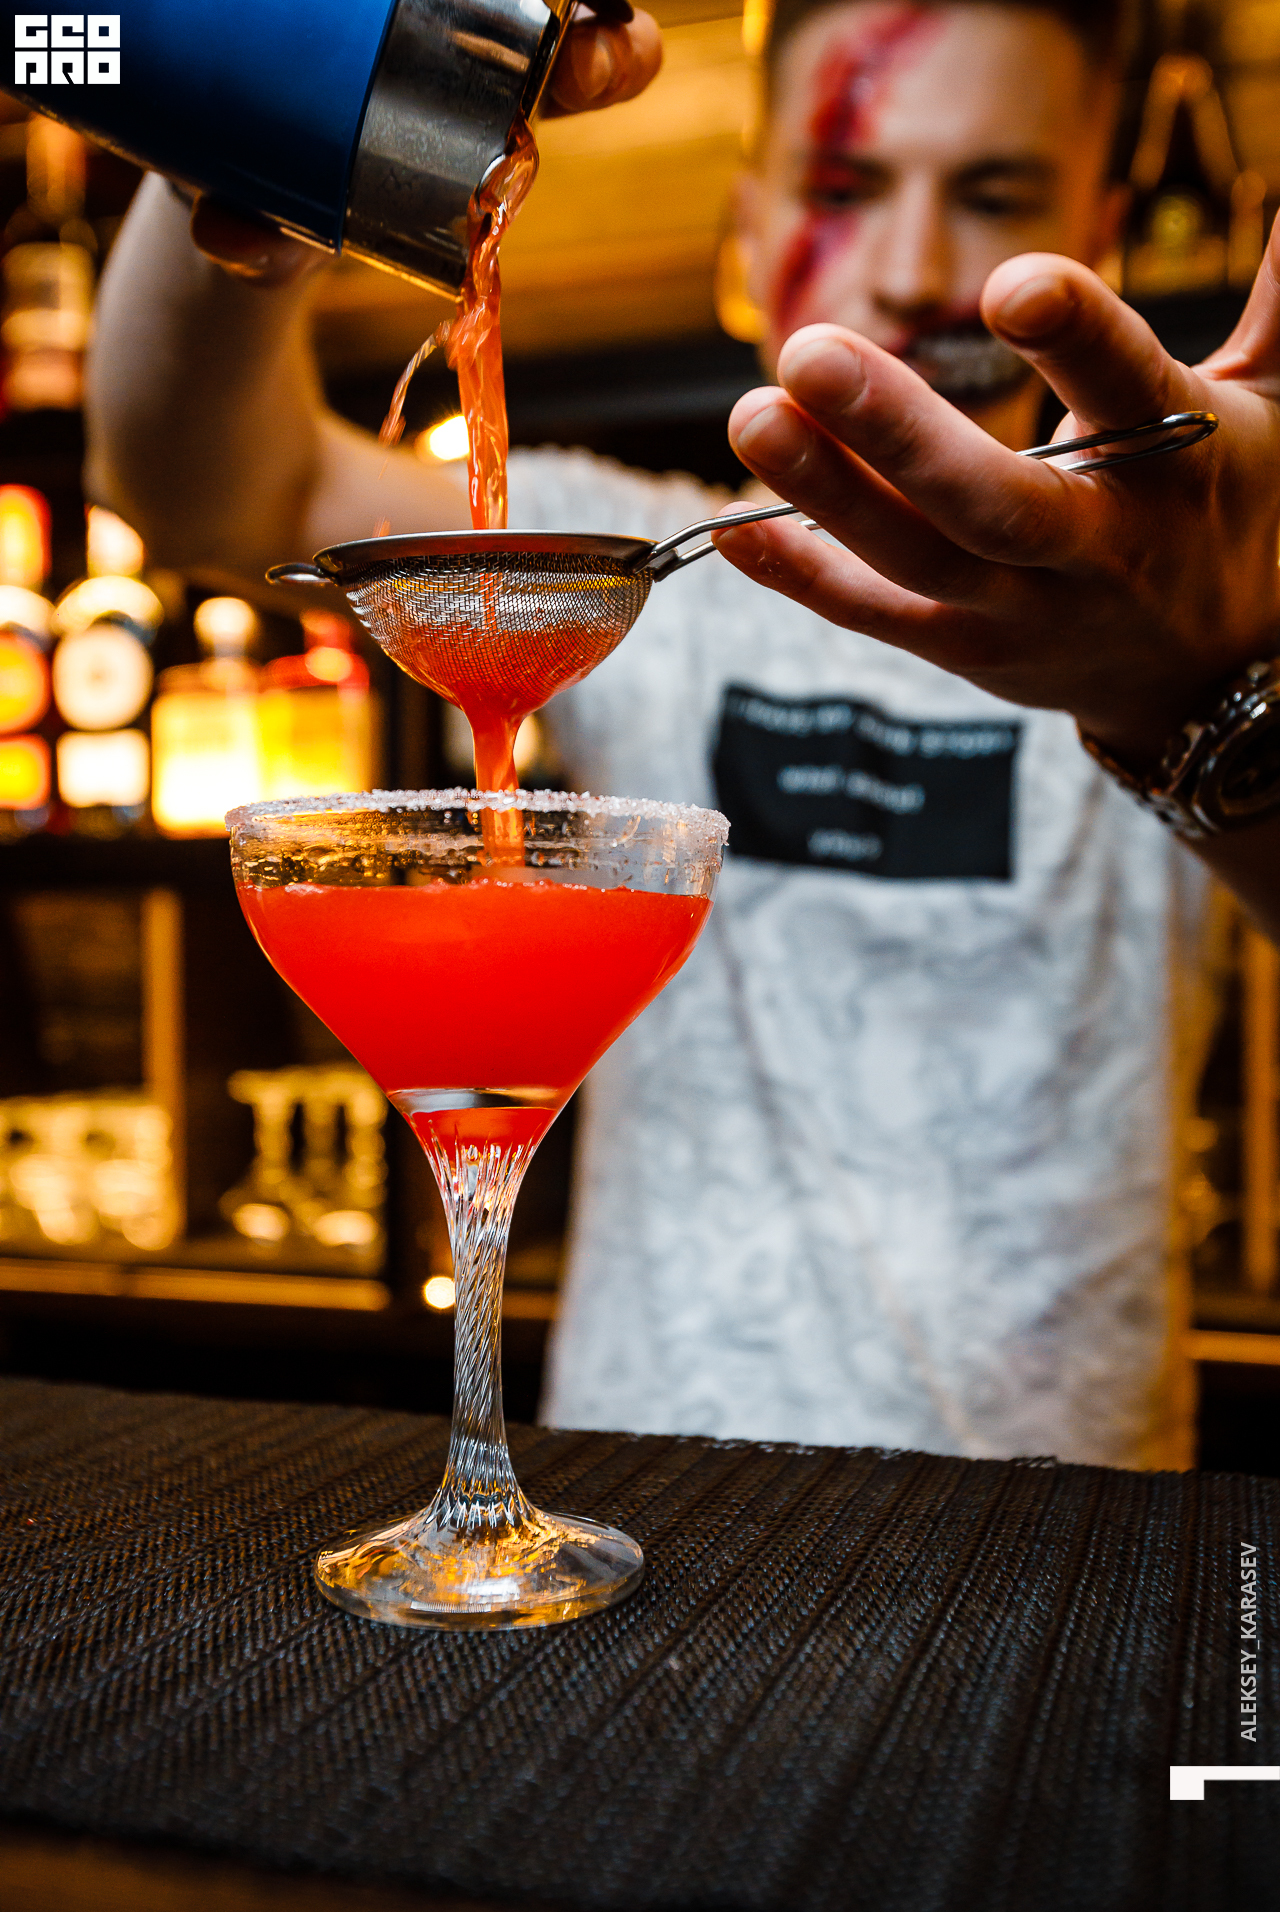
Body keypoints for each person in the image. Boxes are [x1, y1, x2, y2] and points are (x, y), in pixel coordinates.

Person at [84, 0, 1280, 1467]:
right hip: (649, 1507)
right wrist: (258, 120)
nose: (915, 268)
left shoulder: (1179, 605)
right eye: (847, 186)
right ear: (745, 233)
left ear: (1100, 232)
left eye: (994, 196)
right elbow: (203, 484)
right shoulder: (643, 561)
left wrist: (1207, 683)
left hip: (1064, 1533)